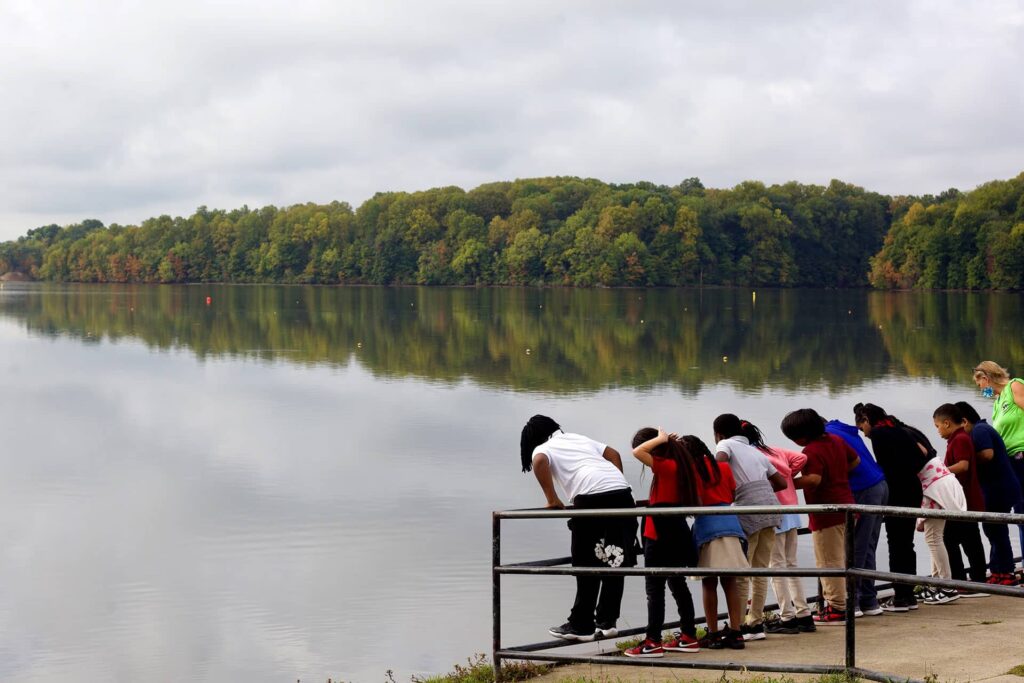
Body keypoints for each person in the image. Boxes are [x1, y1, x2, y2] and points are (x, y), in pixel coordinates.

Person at [520, 415, 637, 641]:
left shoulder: (543, 448)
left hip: (591, 498)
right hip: (623, 495)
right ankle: (607, 621)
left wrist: (552, 499)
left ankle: (581, 625)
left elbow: (540, 461)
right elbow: (614, 454)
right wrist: (614, 481)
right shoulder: (578, 438)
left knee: (585, 562)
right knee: (616, 558)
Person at [624, 427, 701, 658]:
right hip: (676, 530)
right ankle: (688, 636)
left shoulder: (667, 467)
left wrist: (661, 438)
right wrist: (664, 442)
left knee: (654, 589)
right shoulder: (683, 467)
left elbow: (637, 452)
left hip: (660, 533)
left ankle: (652, 642)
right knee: (678, 585)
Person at [712, 414, 787, 642]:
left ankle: (739, 625)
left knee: (743, 572)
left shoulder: (725, 444)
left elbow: (720, 462)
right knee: (761, 569)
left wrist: (725, 486)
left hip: (748, 511)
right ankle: (756, 624)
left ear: (719, 434)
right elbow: (781, 483)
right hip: (771, 510)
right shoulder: (756, 452)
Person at [781, 408, 858, 625]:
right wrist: (838, 476)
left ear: (801, 436)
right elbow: (855, 462)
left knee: (828, 561)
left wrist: (786, 484)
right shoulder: (835, 440)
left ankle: (838, 608)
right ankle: (842, 603)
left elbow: (813, 479)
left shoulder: (811, 450)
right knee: (843, 558)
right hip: (848, 505)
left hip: (827, 513)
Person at [739, 420, 814, 634]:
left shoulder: (751, 455)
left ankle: (787, 617)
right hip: (792, 511)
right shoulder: (772, 449)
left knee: (776, 566)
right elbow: (801, 458)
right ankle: (804, 613)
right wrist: (789, 473)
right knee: (791, 564)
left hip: (775, 514)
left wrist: (778, 478)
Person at [854, 403, 930, 612]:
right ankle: (908, 595)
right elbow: (923, 453)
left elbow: (885, 465)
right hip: (913, 488)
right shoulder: (899, 428)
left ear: (866, 419)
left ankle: (901, 598)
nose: (864, 433)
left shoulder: (879, 434)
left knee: (896, 543)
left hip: (897, 491)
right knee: (906, 543)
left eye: (862, 428)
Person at [682, 434, 747, 651]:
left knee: (709, 582)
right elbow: (731, 494)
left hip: (708, 526)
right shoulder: (723, 468)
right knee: (730, 582)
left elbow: (692, 500)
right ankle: (737, 632)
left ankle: (713, 633)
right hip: (731, 524)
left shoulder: (691, 471)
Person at [956, 400, 1023, 586]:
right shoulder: (981, 429)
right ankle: (999, 570)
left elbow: (987, 454)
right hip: (997, 487)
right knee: (994, 529)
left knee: (995, 530)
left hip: (999, 488)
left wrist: (967, 460)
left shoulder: (980, 430)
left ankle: (1005, 572)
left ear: (963, 421)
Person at [825, 418, 888, 617]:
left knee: (855, 547)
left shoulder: (828, 436)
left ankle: (853, 602)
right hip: (879, 484)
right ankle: (869, 600)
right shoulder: (839, 430)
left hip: (863, 489)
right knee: (867, 545)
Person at [933, 403, 988, 593]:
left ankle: (961, 581)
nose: (938, 430)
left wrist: (940, 472)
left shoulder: (960, 439)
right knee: (970, 540)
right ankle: (976, 580)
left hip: (963, 501)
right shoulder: (958, 438)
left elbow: (963, 465)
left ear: (947, 423)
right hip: (965, 500)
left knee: (952, 540)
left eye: (937, 426)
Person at [973, 361, 1024, 565]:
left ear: (986, 378)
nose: (980, 390)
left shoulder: (1014, 386)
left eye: (979, 385)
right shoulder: (996, 403)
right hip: (1009, 461)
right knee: (1018, 514)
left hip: (1022, 455)